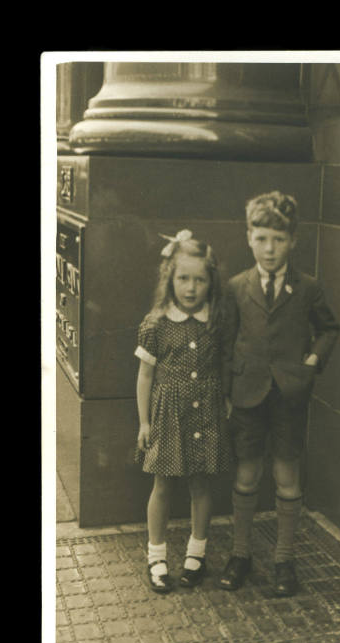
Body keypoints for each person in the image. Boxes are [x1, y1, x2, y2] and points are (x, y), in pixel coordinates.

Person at [219, 191, 340, 597]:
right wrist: (226, 392)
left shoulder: (307, 288)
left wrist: (311, 362)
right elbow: (225, 340)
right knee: (247, 475)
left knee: (287, 478)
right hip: (247, 395)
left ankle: (285, 559)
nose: (270, 249)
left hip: (290, 396)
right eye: (262, 238)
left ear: (293, 240)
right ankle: (241, 554)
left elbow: (329, 328)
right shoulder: (237, 286)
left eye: (279, 239)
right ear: (248, 237)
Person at [135, 230, 230, 594]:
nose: (191, 288)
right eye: (183, 278)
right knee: (162, 485)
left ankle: (196, 553)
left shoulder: (215, 321)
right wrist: (144, 421)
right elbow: (144, 375)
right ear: (170, 279)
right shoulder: (156, 323)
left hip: (206, 413)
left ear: (211, 282)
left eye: (200, 280)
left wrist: (225, 398)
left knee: (201, 483)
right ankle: (156, 557)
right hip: (167, 416)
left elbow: (222, 364)